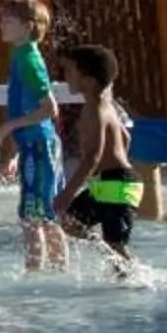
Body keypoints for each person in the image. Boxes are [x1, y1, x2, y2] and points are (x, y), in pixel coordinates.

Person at [54, 44, 143, 275]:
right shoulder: (107, 105)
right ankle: (115, 262)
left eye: (71, 71)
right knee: (70, 223)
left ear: (89, 81)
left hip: (117, 182)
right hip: (110, 181)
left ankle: (138, 280)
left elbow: (92, 156)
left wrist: (67, 192)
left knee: (116, 245)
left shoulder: (94, 109)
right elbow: (125, 137)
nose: (66, 76)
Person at [0, 0, 68, 274]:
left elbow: (50, 109)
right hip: (37, 146)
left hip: (40, 146)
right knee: (44, 215)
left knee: (33, 218)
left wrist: (9, 127)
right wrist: (15, 154)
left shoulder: (28, 59)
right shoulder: (22, 55)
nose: (2, 24)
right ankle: (56, 275)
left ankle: (35, 278)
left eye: (8, 20)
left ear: (27, 27)